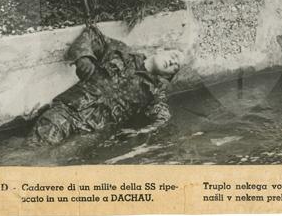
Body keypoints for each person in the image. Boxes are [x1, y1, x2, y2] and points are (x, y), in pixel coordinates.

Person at [30, 26, 183, 145]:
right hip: (67, 111)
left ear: (167, 76)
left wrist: (140, 132)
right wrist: (83, 57)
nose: (173, 62)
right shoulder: (121, 51)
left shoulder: (155, 93)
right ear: (160, 50)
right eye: (174, 56)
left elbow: (162, 119)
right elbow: (92, 34)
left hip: (91, 134)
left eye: (176, 67)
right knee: (37, 147)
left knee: (59, 161)